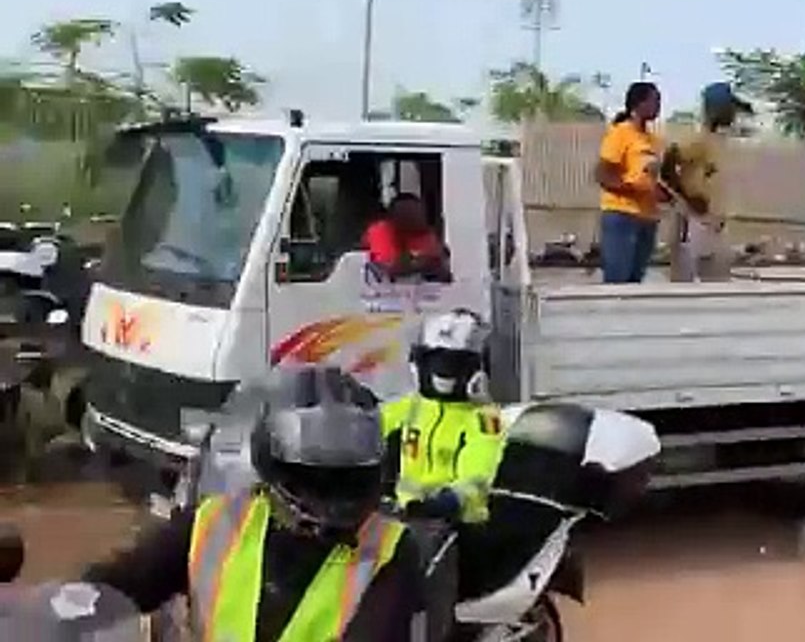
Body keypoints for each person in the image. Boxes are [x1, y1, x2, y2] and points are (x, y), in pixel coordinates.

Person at [80, 365, 430, 641]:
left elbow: (377, 632)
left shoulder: (391, 550)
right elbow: (128, 579)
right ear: (273, 467)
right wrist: (68, 605)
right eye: (312, 475)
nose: (332, 492)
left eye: (346, 475)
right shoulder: (213, 521)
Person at [380, 309, 504, 525]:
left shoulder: (484, 419)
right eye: (436, 360)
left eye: (455, 363)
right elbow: (369, 429)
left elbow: (479, 472)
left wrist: (450, 501)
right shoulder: (412, 406)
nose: (443, 370)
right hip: (403, 520)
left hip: (457, 525)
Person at [662, 82, 753, 282]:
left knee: (716, 285)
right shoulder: (697, 139)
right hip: (695, 222)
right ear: (717, 109)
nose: (733, 114)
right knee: (687, 284)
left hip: (715, 223)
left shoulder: (719, 141)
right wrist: (688, 198)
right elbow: (667, 165)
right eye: (729, 108)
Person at [596, 82, 664, 283]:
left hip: (646, 217)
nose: (658, 105)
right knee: (617, 280)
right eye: (654, 100)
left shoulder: (653, 140)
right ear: (638, 103)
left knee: (635, 281)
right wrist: (632, 189)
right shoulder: (620, 133)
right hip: (621, 216)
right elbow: (603, 175)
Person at [364, 192, 452, 282]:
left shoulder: (425, 234)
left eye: (417, 212)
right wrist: (424, 262)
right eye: (407, 212)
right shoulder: (381, 231)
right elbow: (388, 270)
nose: (414, 216)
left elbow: (440, 268)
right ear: (392, 217)